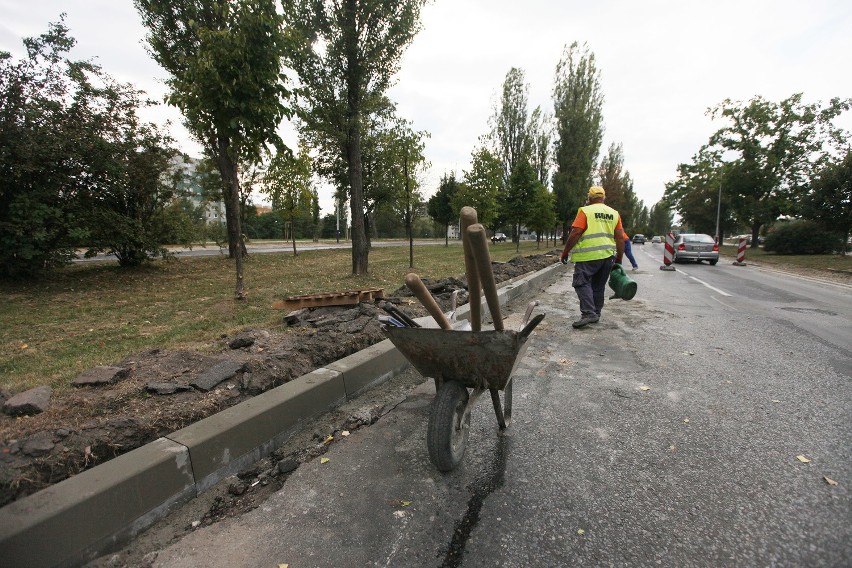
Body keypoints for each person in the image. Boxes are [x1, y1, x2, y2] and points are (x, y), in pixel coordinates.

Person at [560, 186, 625, 328]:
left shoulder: (585, 211)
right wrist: (619, 257)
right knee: (598, 285)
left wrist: (565, 251)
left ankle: (589, 313)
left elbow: (576, 232)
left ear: (589, 198)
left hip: (588, 256)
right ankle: (596, 312)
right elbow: (620, 238)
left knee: (581, 282)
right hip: (607, 256)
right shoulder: (614, 213)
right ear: (604, 198)